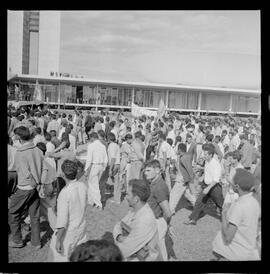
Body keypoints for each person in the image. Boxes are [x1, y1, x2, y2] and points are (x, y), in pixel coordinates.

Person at [212, 168, 261, 261]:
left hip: (235, 252)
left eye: (233, 183)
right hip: (248, 248)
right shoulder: (255, 202)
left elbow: (228, 236)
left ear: (237, 186)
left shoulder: (239, 206)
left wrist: (224, 214)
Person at [8, 126, 45, 249]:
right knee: (34, 216)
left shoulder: (21, 152)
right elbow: (42, 169)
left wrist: (34, 184)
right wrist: (39, 185)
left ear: (18, 137)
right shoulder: (37, 150)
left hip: (26, 187)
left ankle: (17, 241)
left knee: (13, 213)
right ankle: (36, 242)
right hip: (36, 187)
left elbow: (25, 173)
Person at [47, 160, 88, 262]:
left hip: (68, 232)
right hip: (81, 228)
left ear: (63, 174)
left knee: (59, 257)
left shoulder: (65, 193)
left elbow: (62, 221)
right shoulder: (83, 186)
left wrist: (58, 240)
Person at [113, 179, 161, 261]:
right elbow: (117, 226)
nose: (125, 197)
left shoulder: (144, 220)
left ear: (136, 199)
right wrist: (119, 237)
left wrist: (120, 238)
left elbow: (126, 249)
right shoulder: (135, 210)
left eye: (128, 195)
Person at [185, 143, 224, 225]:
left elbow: (216, 180)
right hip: (206, 186)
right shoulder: (207, 162)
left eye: (205, 154)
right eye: (204, 153)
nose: (204, 155)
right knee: (199, 202)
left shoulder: (216, 164)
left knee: (221, 205)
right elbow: (208, 171)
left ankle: (230, 219)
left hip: (214, 188)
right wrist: (201, 169)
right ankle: (192, 219)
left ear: (211, 155)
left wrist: (208, 188)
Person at [144, 160, 172, 261]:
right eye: (145, 170)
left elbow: (168, 212)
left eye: (148, 170)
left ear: (157, 170)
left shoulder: (159, 187)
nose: (145, 172)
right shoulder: (154, 183)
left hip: (157, 222)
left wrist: (165, 225)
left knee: (159, 251)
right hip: (152, 222)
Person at [84, 132, 108, 209]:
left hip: (94, 166)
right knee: (93, 184)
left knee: (94, 185)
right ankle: (91, 201)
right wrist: (104, 167)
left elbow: (89, 159)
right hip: (101, 166)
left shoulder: (91, 146)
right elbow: (106, 158)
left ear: (92, 138)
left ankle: (98, 203)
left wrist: (86, 170)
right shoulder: (102, 146)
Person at [107, 132, 121, 204]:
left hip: (114, 165)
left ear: (109, 138)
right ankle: (117, 198)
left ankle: (117, 199)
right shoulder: (116, 145)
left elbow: (113, 158)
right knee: (116, 182)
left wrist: (110, 169)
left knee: (115, 182)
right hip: (117, 164)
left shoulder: (111, 146)